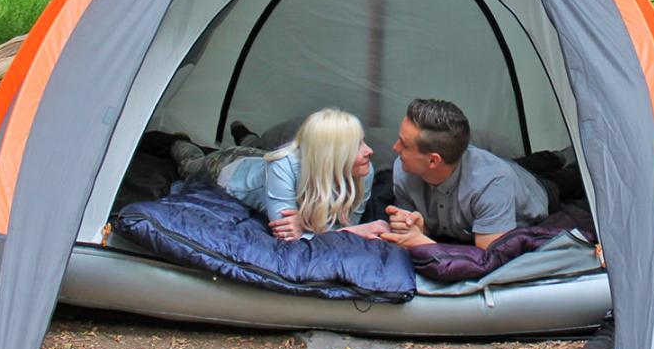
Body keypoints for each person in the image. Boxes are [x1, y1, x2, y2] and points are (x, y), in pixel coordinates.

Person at [173, 109, 389, 241]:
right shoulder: (282, 166)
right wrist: (316, 226)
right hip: (231, 168)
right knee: (191, 165)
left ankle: (246, 136)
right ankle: (178, 141)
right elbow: (287, 233)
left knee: (260, 149)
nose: (369, 151)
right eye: (357, 145)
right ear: (331, 156)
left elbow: (348, 224)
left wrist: (305, 223)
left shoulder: (364, 170)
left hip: (264, 160)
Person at [380, 98, 552, 250]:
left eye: (404, 144)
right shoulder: (404, 171)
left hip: (535, 188)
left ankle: (560, 157)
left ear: (433, 160)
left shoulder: (492, 184)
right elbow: (417, 231)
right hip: (498, 167)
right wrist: (417, 228)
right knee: (528, 162)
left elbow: (490, 256)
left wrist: (427, 246)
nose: (395, 148)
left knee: (562, 178)